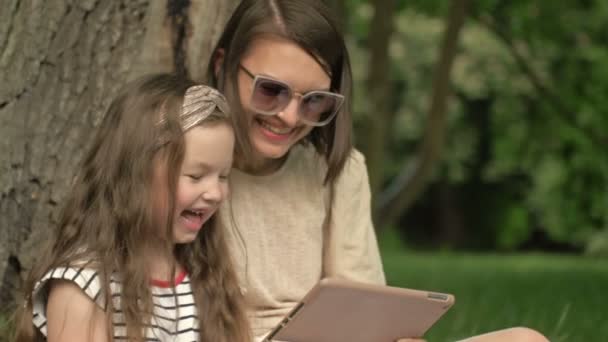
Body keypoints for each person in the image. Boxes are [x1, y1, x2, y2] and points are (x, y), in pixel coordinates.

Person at [206, 1, 549, 341]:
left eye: (313, 100)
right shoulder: (187, 169)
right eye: (270, 90)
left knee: (525, 340)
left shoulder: (340, 171)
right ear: (223, 66)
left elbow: (361, 304)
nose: (291, 117)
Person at [13, 74, 251, 342]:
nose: (216, 193)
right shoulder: (85, 287)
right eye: (196, 176)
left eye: (223, 176)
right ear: (134, 177)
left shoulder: (202, 270)